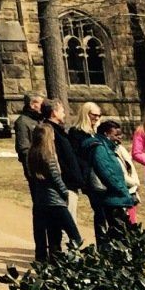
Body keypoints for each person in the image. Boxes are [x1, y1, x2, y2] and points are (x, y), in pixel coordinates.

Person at [26, 99, 84, 261]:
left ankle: (51, 266)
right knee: (73, 235)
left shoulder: (33, 155)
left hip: (42, 203)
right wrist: (65, 192)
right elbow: (55, 176)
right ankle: (70, 262)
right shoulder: (48, 156)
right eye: (62, 110)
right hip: (56, 201)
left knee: (51, 237)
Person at [87, 118, 138, 246]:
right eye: (116, 135)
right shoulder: (100, 149)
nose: (119, 138)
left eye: (120, 135)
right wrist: (123, 191)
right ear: (106, 134)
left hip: (115, 197)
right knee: (119, 235)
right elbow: (108, 174)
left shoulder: (109, 148)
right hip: (112, 198)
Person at [12, 91, 48, 259]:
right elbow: (23, 150)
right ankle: (41, 251)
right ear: (32, 104)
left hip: (49, 173)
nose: (43, 106)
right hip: (36, 174)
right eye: (40, 103)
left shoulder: (42, 121)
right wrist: (32, 173)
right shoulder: (23, 122)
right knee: (40, 212)